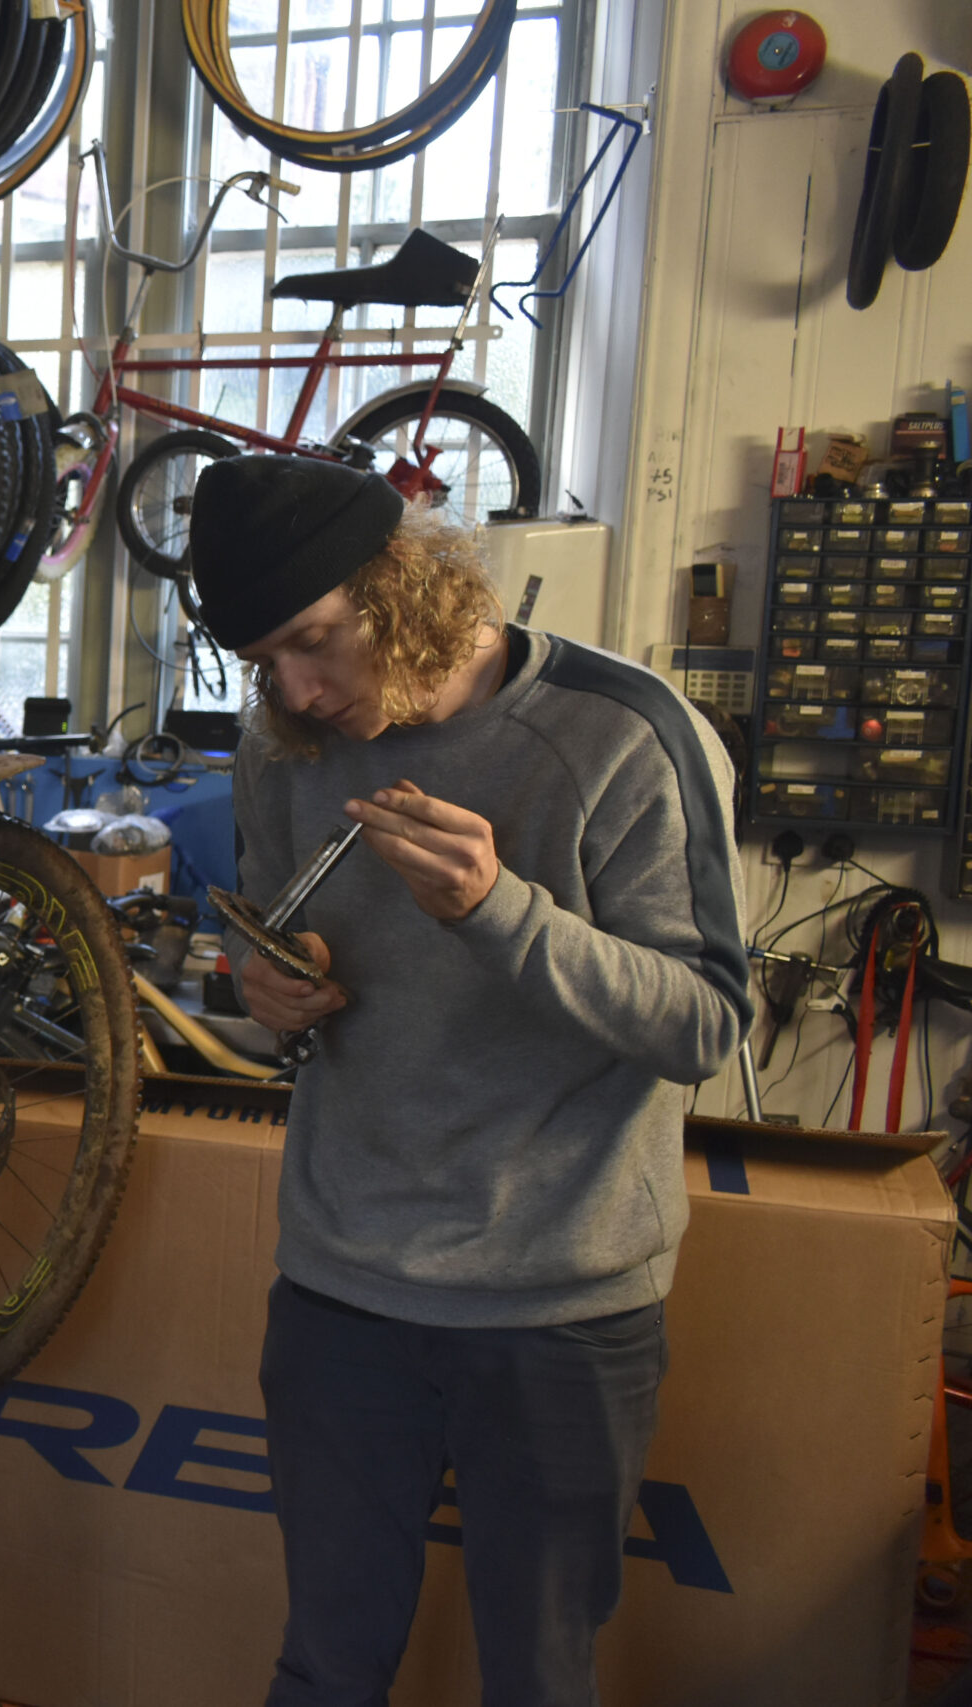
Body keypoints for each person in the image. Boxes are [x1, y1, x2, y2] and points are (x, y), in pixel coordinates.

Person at [192, 457, 750, 1706]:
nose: (296, 690)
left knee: (537, 1677)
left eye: (313, 641)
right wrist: (267, 987)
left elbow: (706, 1024)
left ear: (402, 585)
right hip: (341, 1287)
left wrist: (501, 912)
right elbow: (267, 943)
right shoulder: (283, 745)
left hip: (557, 1306)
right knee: (324, 1665)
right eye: (263, 662)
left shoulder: (623, 734)